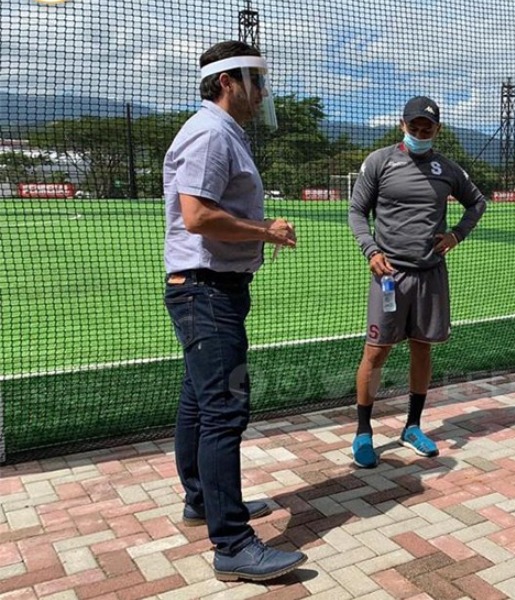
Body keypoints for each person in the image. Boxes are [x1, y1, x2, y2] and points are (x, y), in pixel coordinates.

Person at [162, 40, 305, 581]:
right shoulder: (208, 133)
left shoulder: (222, 133)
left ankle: (203, 501)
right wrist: (265, 230)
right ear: (228, 82)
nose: (263, 93)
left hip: (210, 288)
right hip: (206, 291)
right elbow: (197, 215)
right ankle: (233, 545)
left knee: (200, 401)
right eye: (257, 82)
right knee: (224, 409)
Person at [347, 96, 487, 468]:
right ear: (402, 125)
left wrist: (455, 235)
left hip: (430, 275)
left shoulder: (447, 168)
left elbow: (477, 203)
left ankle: (412, 426)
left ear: (437, 130)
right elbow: (357, 211)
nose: (420, 133)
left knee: (422, 348)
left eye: (427, 128)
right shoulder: (380, 162)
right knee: (376, 351)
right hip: (389, 275)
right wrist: (371, 250)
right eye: (414, 127)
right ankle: (363, 431)